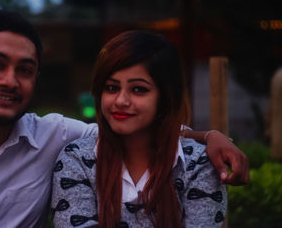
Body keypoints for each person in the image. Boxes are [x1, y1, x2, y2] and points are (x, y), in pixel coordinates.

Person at [0, 10, 246, 227]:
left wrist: (208, 136)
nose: (10, 80)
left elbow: (132, 127)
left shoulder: (56, 137)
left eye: (24, 69)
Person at [52, 31, 229, 227]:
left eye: (138, 89)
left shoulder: (199, 164)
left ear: (165, 97)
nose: (121, 101)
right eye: (111, 88)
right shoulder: (77, 160)